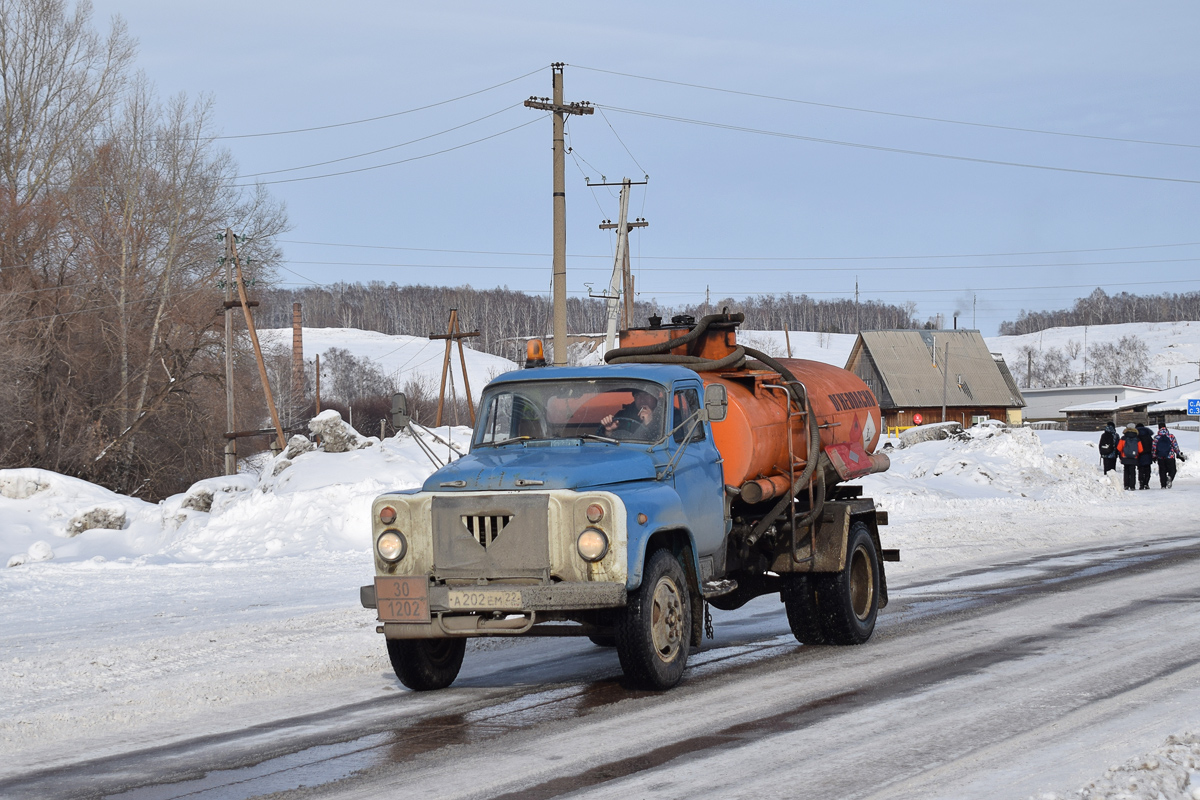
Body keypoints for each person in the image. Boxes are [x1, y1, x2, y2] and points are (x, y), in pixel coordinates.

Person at [1152, 423, 1186, 488]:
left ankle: (1163, 485)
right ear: (1165, 427)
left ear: (1158, 428)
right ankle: (1170, 477)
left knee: (1162, 471)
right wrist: (1178, 454)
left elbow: (1154, 448)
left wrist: (1154, 456)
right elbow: (1175, 446)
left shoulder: (1156, 437)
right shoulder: (1171, 436)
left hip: (1160, 457)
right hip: (1170, 456)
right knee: (1173, 470)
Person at [1116, 423, 1142, 491]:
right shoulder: (1137, 438)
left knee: (1126, 471)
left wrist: (1121, 455)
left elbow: (1119, 448)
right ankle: (1132, 486)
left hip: (1125, 457)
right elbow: (1141, 449)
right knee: (1133, 471)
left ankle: (1126, 485)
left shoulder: (1123, 438)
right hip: (1134, 457)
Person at [1136, 422, 1155, 490]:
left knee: (1140, 470)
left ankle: (1141, 483)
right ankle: (1146, 483)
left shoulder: (1136, 436)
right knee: (1147, 470)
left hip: (1139, 455)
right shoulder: (1148, 436)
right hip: (1148, 455)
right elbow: (1153, 445)